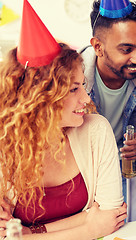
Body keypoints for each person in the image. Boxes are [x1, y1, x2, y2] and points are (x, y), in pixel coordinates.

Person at [0, 42, 126, 239]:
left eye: (82, 85)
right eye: (73, 89)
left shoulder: (96, 131)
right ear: (40, 97)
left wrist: (29, 233)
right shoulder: (3, 147)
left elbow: (111, 215)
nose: (86, 98)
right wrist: (89, 229)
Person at [80, 0, 136, 220]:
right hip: (85, 170)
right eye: (127, 49)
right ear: (98, 47)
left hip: (130, 170)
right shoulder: (72, 77)